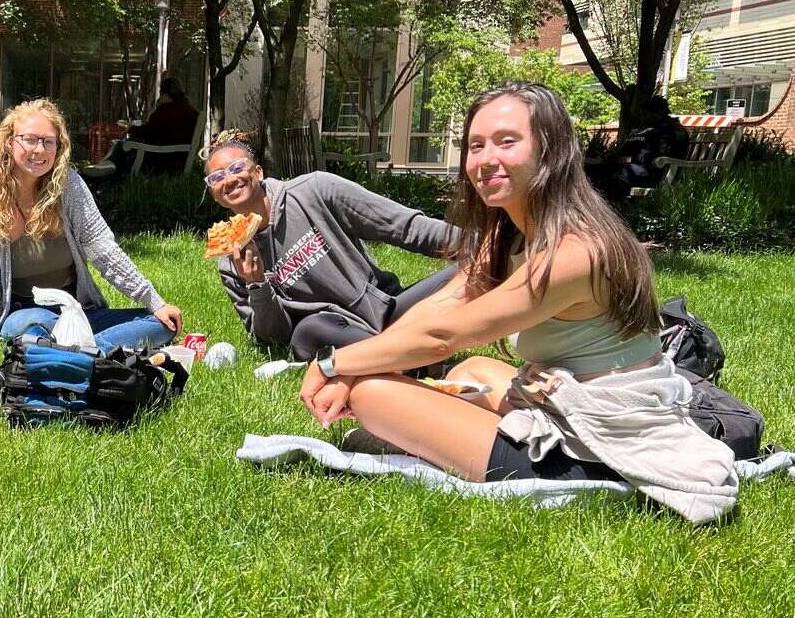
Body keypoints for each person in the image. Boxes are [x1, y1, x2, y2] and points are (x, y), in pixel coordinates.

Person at [298, 81, 737, 515]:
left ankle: (435, 437)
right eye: (475, 146)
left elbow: (443, 336)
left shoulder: (575, 251)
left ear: (550, 150)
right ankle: (422, 428)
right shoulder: (510, 230)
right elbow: (441, 306)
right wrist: (366, 359)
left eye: (507, 142)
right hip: (560, 400)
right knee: (471, 371)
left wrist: (336, 366)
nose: (486, 160)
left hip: (599, 439)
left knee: (374, 395)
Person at [205, 128, 457, 360]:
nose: (228, 179)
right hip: (337, 334)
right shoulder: (230, 262)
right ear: (214, 194)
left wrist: (481, 243)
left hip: (390, 309)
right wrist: (257, 284)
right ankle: (412, 355)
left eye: (237, 167)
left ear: (258, 172)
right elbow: (274, 339)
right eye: (216, 177)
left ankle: (400, 355)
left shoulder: (315, 190)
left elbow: (402, 225)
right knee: (306, 333)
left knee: (472, 269)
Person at [0, 98, 183, 351]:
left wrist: (155, 302)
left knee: (161, 324)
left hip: (76, 310)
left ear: (59, 147)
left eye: (48, 142)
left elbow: (105, 253)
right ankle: (90, 349)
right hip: (22, 313)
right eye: (30, 139)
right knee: (36, 322)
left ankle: (81, 350)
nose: (39, 150)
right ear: (9, 141)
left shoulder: (69, 186)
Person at [585, 95, 690, 205]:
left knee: (618, 175)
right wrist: (612, 156)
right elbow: (628, 149)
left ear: (659, 113)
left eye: (645, 114)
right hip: (635, 168)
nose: (642, 118)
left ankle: (611, 210)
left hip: (654, 172)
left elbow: (661, 155)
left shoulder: (672, 131)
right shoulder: (649, 130)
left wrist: (630, 159)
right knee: (594, 169)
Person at [100, 76, 200, 174]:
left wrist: (131, 129)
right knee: (123, 145)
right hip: (177, 158)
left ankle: (101, 174)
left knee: (121, 146)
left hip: (161, 159)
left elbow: (149, 132)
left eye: (161, 94)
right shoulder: (191, 111)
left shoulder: (167, 110)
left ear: (165, 94)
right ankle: (102, 172)